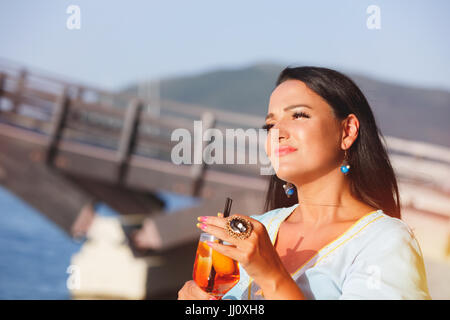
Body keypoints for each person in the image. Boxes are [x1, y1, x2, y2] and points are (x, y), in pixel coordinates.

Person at [177, 66, 431, 300]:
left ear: (348, 131)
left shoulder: (384, 242)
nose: (277, 132)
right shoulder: (259, 229)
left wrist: (272, 277)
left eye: (298, 115)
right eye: (270, 125)